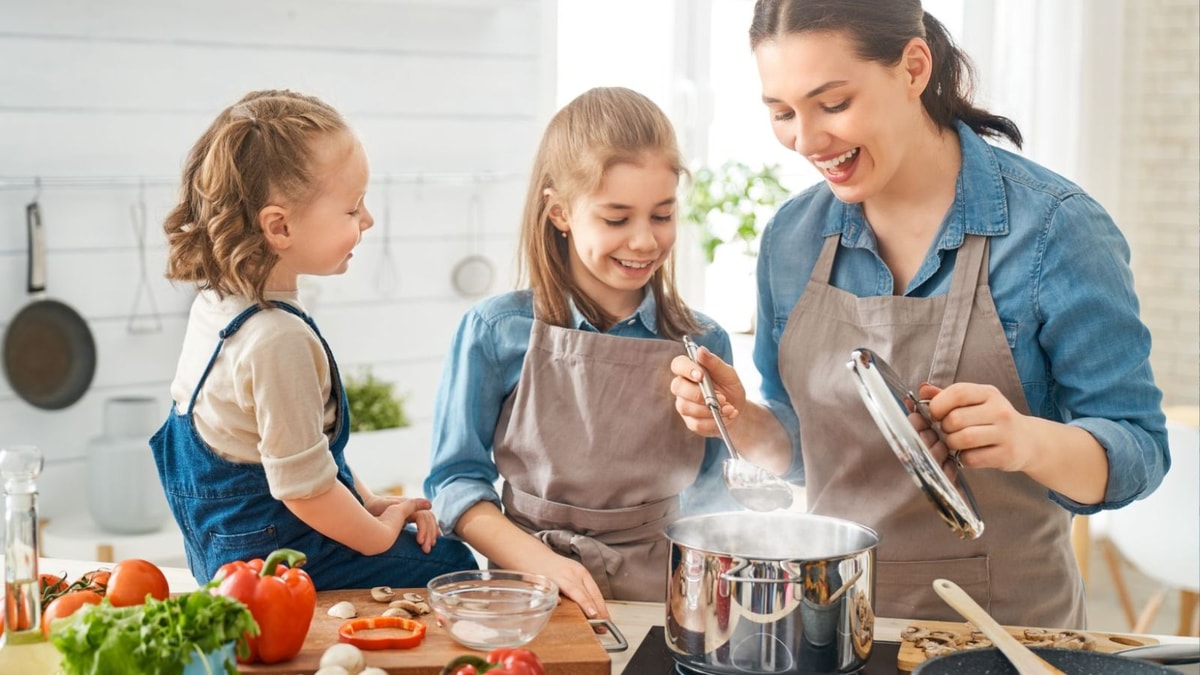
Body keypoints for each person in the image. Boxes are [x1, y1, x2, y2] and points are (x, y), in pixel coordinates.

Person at [670, 0, 1169, 629]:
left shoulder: (1055, 229)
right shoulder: (792, 238)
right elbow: (803, 447)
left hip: (1002, 634)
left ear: (912, 68)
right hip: (832, 626)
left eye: (833, 103)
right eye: (782, 113)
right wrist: (743, 421)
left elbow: (1140, 452)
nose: (807, 139)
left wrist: (1027, 440)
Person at [425, 87, 736, 620]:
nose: (644, 242)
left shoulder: (702, 342)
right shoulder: (495, 331)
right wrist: (541, 564)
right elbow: (455, 484)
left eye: (661, 216)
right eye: (617, 219)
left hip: (665, 594)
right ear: (561, 212)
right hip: (527, 590)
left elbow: (716, 493)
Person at [150, 89, 478, 589]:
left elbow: (302, 452)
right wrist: (378, 532)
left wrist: (368, 503)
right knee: (453, 565)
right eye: (352, 209)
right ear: (279, 227)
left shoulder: (216, 304)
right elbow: (303, 491)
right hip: (278, 563)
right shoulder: (276, 338)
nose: (367, 220)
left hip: (220, 553)